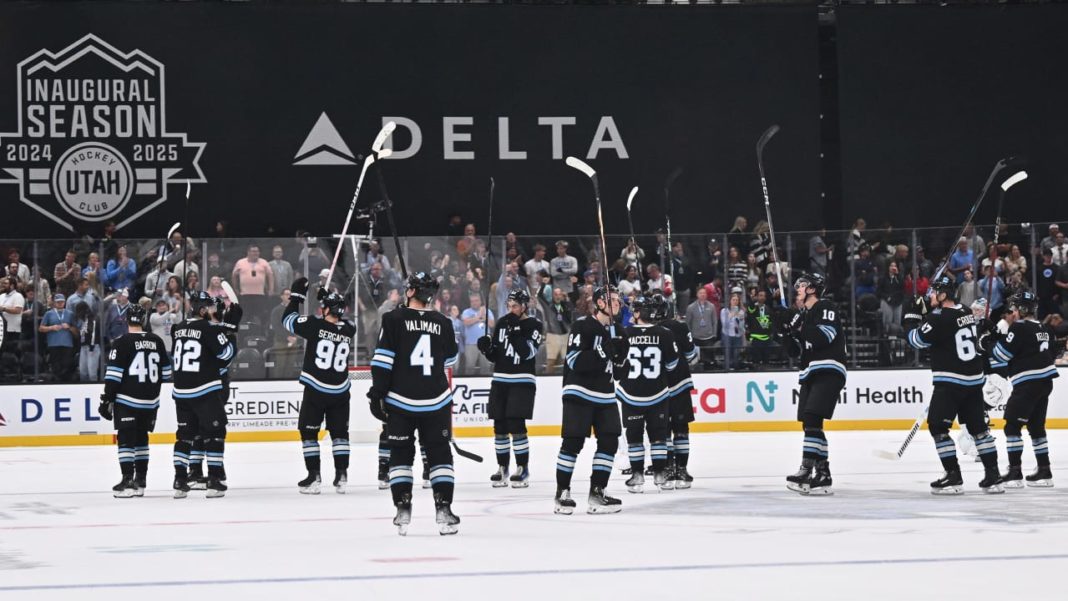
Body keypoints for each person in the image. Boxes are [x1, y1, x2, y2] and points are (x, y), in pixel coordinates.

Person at [368, 272, 460, 536]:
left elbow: (383, 360)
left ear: (410, 292)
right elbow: (449, 361)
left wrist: (377, 394)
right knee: (440, 455)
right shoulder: (443, 321)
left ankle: (403, 508)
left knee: (401, 455)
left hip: (401, 400)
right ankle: (444, 509)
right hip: (436, 400)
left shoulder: (393, 318)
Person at [905, 274, 1003, 494]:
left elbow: (915, 340)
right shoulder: (966, 312)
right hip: (973, 381)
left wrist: (911, 317)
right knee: (979, 429)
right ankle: (994, 475)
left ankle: (953, 476)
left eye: (933, 291)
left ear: (942, 295)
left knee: (938, 428)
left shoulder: (937, 318)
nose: (929, 295)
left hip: (951, 382)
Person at [555, 285, 626, 515]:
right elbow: (575, 361)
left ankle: (598, 492)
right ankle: (562, 492)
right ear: (599, 303)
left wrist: (621, 355)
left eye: (618, 299)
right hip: (579, 391)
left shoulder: (619, 331)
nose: (617, 302)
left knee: (609, 441)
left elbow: (620, 373)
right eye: (611, 299)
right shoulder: (582, 326)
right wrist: (605, 351)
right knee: (573, 443)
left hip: (605, 395)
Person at [283, 278, 357, 494]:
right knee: (340, 434)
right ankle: (341, 475)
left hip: (316, 390)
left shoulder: (315, 325)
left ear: (326, 310)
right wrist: (326, 299)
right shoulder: (349, 329)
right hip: (340, 391)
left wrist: (297, 296)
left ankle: (314, 476)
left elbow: (288, 320)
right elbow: (336, 321)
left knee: (308, 433)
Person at [780, 273, 847, 495]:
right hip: (810, 372)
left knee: (811, 419)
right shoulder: (805, 315)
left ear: (812, 289)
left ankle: (806, 470)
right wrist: (785, 333)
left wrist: (800, 327)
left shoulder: (825, 306)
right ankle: (823, 473)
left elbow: (824, 336)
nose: (797, 288)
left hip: (828, 369)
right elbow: (795, 351)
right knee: (811, 424)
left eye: (801, 285)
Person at [98, 304, 171, 497]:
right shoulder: (157, 340)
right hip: (151, 401)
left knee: (126, 439)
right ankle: (141, 481)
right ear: (145, 319)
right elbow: (166, 373)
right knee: (141, 439)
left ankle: (127, 481)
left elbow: (113, 376)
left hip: (128, 400)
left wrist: (106, 399)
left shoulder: (122, 342)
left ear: (126, 319)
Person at [170, 291, 238, 498]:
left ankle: (180, 480)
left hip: (181, 392)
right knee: (215, 433)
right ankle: (215, 480)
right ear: (202, 310)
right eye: (209, 307)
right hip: (204, 390)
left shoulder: (179, 328)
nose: (212, 311)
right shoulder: (207, 328)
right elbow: (226, 355)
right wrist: (231, 333)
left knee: (184, 436)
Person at [989, 291, 1059, 487]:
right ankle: (1044, 471)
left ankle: (1015, 472)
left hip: (1028, 382)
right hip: (1045, 381)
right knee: (1036, 427)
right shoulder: (1044, 327)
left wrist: (988, 340)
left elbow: (1000, 355)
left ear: (1022, 309)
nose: (1013, 310)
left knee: (1012, 425)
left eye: (1016, 306)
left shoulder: (1019, 328)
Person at [477, 288, 543, 488]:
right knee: (500, 426)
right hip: (501, 379)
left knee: (516, 424)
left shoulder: (534, 325)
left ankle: (523, 468)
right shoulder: (502, 323)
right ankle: (502, 467)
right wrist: (487, 349)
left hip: (522, 381)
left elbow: (527, 353)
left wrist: (515, 332)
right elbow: (496, 356)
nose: (511, 309)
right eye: (509, 306)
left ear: (524, 306)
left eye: (515, 306)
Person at [614, 295, 677, 493]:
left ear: (639, 312)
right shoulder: (665, 333)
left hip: (630, 394)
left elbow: (617, 364)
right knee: (658, 436)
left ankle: (637, 476)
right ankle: (660, 474)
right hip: (657, 393)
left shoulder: (624, 332)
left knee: (634, 437)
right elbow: (672, 364)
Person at [656, 294, 699, 488]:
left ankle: (668, 468)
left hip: (657, 387)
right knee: (681, 428)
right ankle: (682, 470)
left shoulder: (650, 331)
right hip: (680, 383)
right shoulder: (680, 327)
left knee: (663, 429)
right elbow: (691, 354)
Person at [40, 294, 78, 382]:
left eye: (62, 302)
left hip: (67, 344)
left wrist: (69, 327)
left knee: (66, 366)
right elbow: (41, 328)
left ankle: (66, 384)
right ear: (54, 303)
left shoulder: (70, 314)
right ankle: (56, 384)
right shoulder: (48, 313)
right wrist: (51, 328)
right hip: (53, 344)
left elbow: (77, 331)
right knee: (55, 366)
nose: (60, 303)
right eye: (58, 302)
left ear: (65, 302)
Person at [460, 292, 494, 375]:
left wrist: (483, 317)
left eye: (476, 300)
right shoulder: (466, 312)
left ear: (480, 301)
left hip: (485, 344)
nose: (474, 302)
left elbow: (492, 324)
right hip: (471, 344)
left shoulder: (487, 311)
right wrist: (479, 317)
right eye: (472, 301)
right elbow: (466, 322)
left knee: (486, 366)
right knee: (469, 367)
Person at [74, 301, 101, 382]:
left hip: (92, 347)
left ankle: (93, 391)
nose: (78, 314)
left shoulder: (93, 318)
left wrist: (91, 346)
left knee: (92, 372)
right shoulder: (84, 319)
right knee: (83, 372)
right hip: (84, 347)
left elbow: (93, 332)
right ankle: (84, 391)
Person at [720, 292, 746, 369]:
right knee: (728, 354)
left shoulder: (741, 312)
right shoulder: (724, 311)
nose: (735, 302)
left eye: (736, 300)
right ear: (730, 301)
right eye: (733, 300)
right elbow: (725, 325)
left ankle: (736, 368)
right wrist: (730, 316)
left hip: (737, 335)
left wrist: (740, 319)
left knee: (736, 354)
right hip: (727, 335)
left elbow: (742, 327)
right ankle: (727, 369)